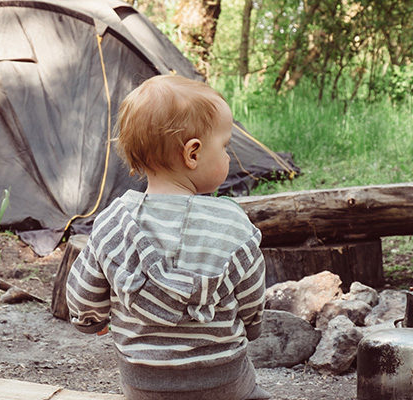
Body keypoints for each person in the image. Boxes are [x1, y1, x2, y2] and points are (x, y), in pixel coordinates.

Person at [66, 74, 271, 400]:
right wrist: (253, 326)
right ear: (193, 153)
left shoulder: (111, 223)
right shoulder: (234, 224)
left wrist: (91, 323)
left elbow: (83, 300)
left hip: (143, 381)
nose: (229, 156)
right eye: (225, 146)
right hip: (222, 378)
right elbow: (251, 300)